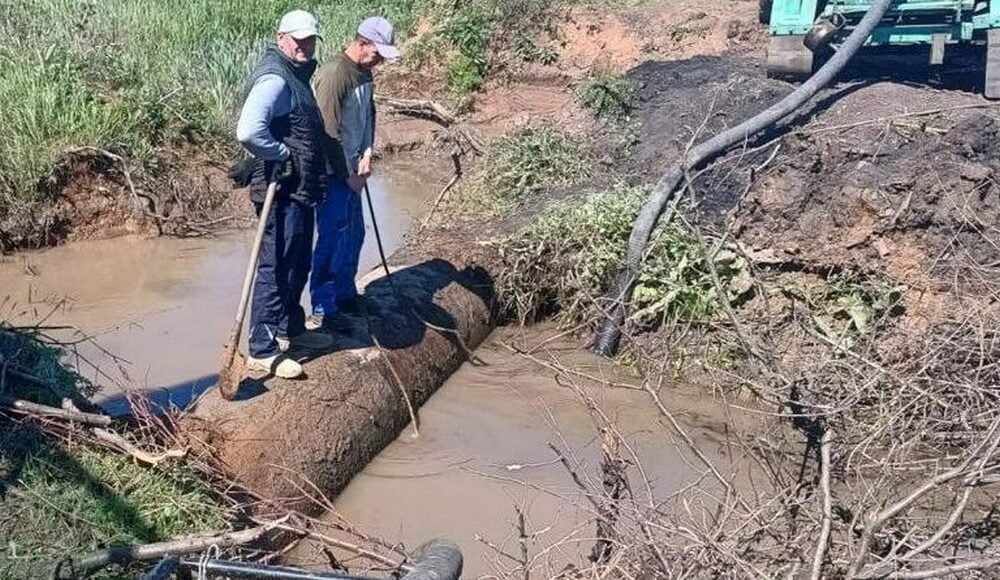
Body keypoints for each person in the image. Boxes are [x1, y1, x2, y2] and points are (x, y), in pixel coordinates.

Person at [235, 9, 333, 379]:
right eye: (299, 40)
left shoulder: (295, 74)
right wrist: (279, 154)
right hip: (280, 189)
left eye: (310, 40)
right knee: (275, 267)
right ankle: (262, 348)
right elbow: (249, 131)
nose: (305, 46)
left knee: (298, 261)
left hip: (299, 188)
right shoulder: (275, 79)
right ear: (281, 38)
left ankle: (290, 329)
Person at [308, 16, 400, 329]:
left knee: (355, 233)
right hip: (333, 173)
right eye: (377, 54)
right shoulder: (335, 74)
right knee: (332, 236)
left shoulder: (364, 73)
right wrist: (348, 174)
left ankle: (346, 295)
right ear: (361, 43)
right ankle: (324, 305)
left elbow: (369, 115)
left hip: (353, 169)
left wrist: (368, 153)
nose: (379, 62)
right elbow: (328, 133)